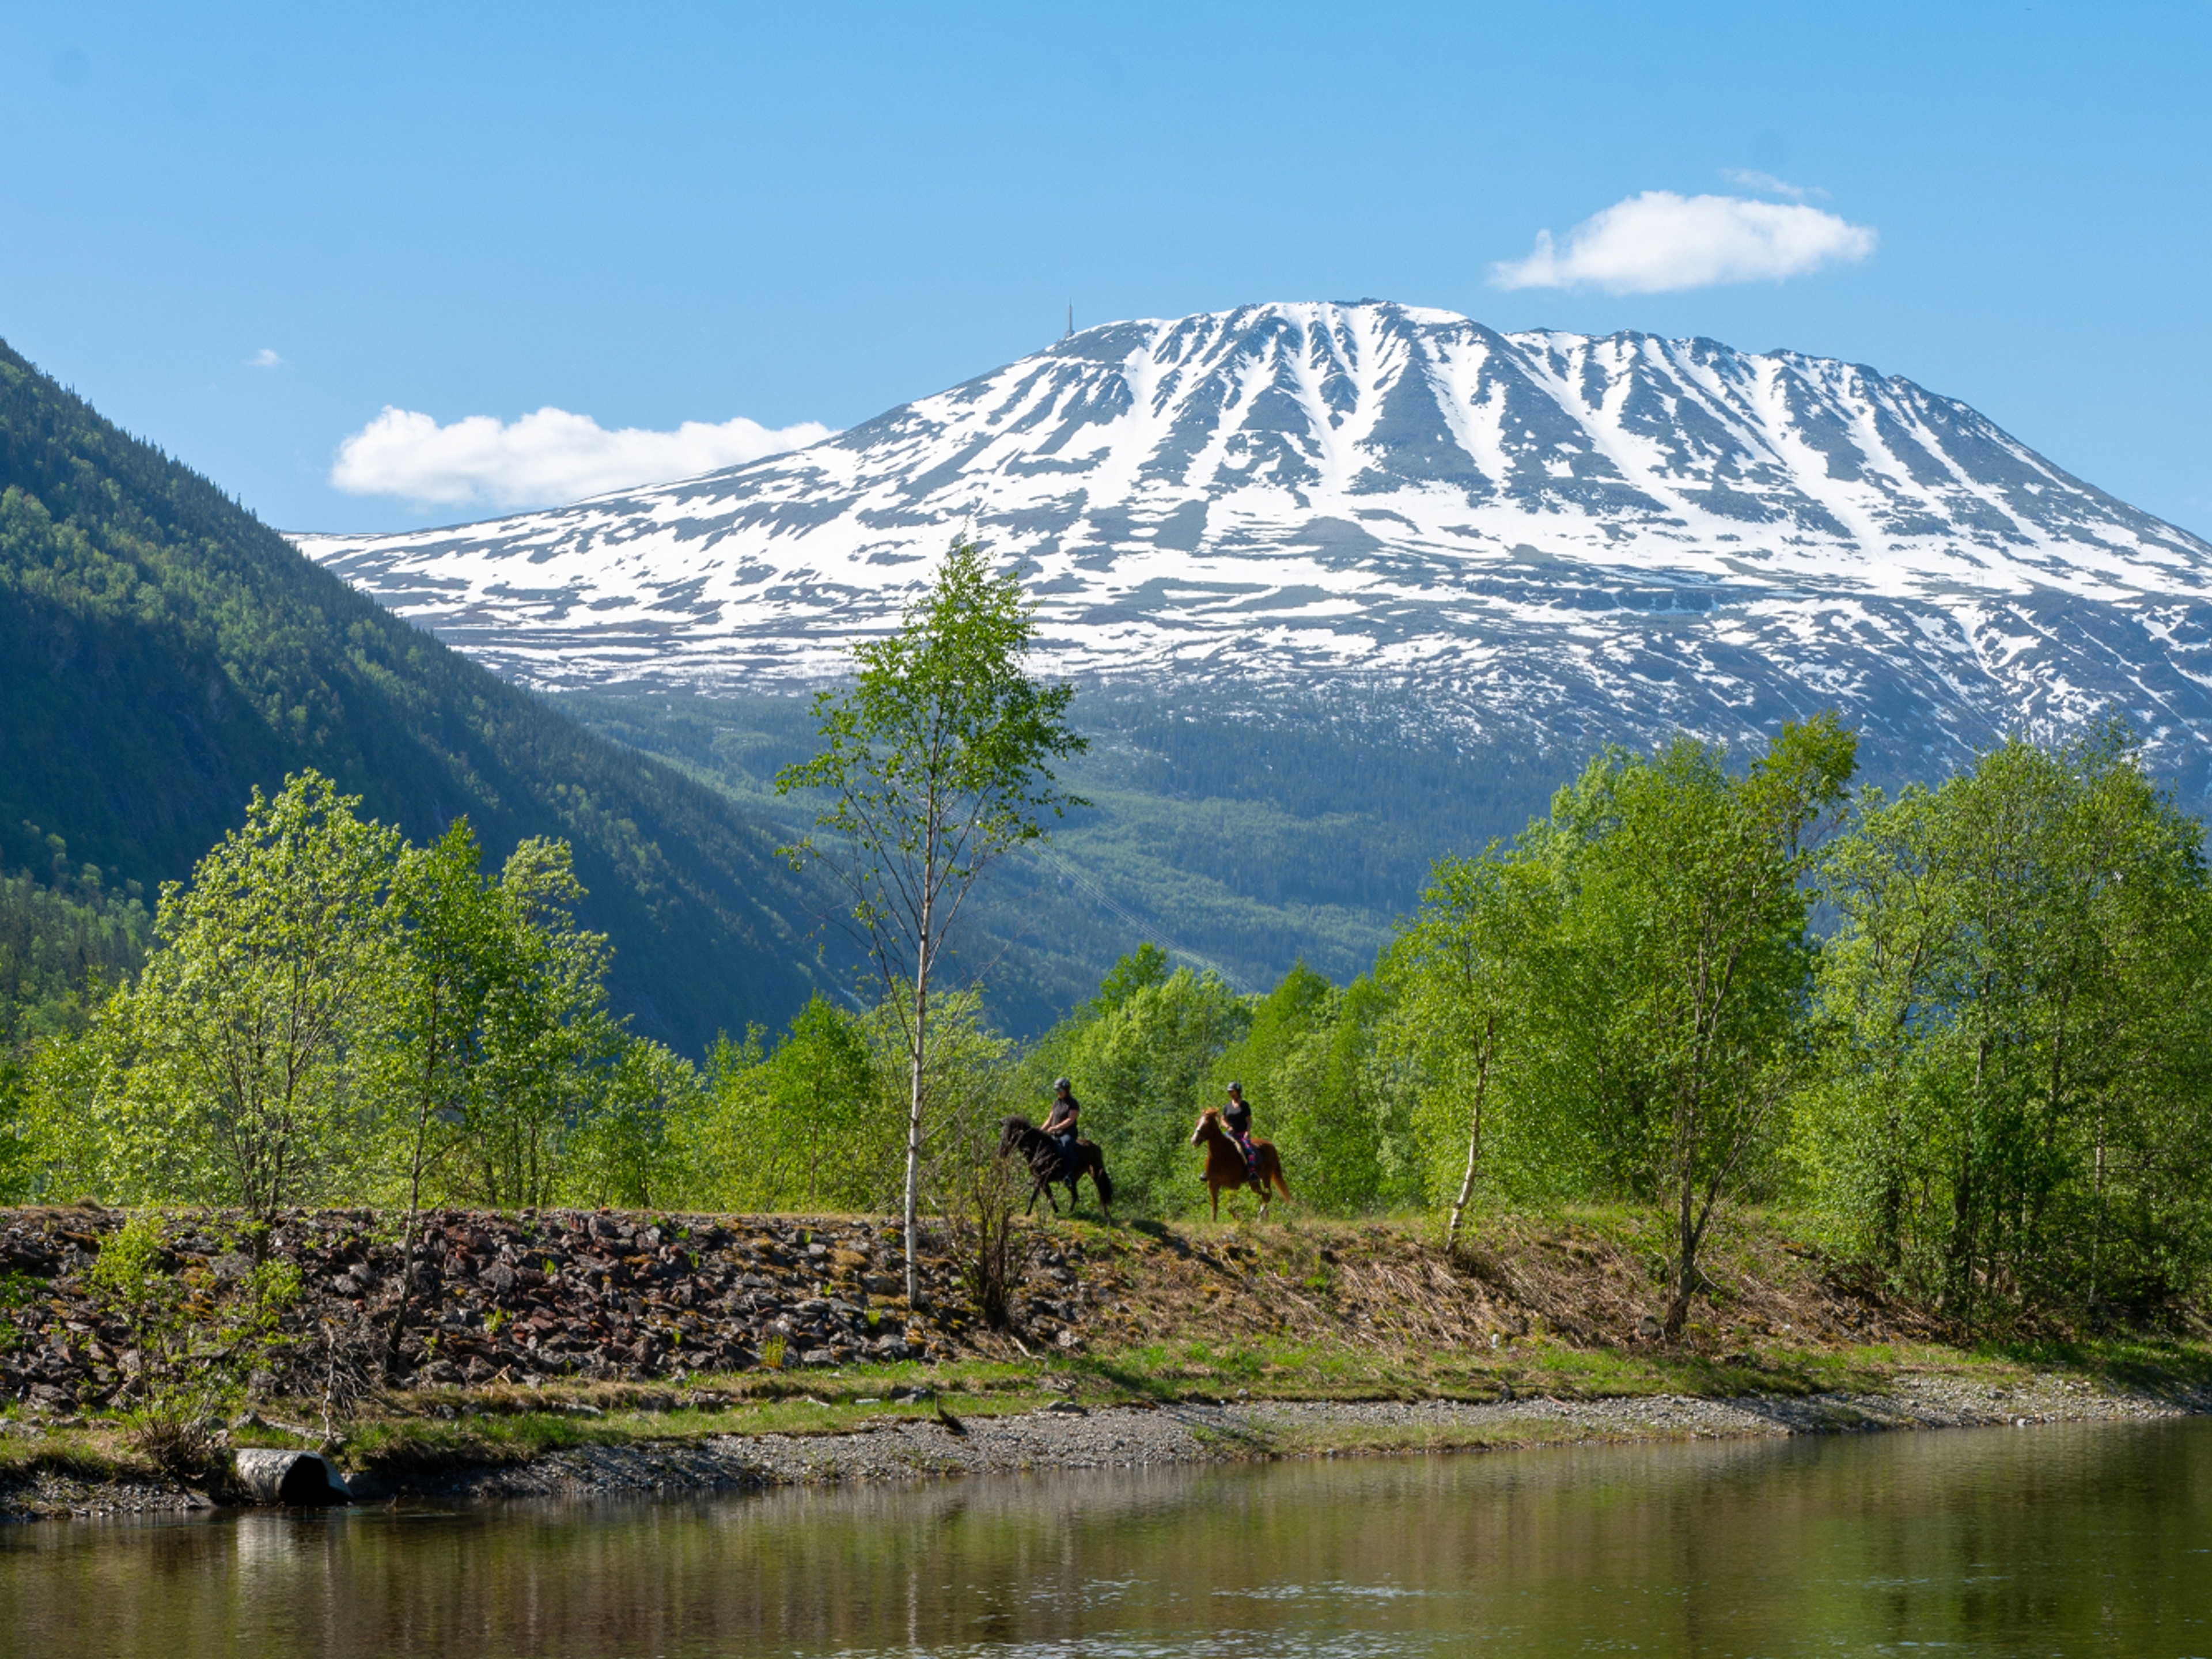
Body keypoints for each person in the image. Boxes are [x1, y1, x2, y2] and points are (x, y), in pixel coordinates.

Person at [1222, 1081, 1260, 1179]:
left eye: (1233, 1092)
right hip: (1230, 1134)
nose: (1231, 1094)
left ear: (1238, 1092)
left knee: (1250, 1151)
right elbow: (1222, 1120)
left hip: (1242, 1134)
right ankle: (1209, 1172)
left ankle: (1252, 1172)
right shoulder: (1227, 1107)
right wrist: (1227, 1126)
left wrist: (1248, 1132)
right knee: (1217, 1148)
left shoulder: (1245, 1105)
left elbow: (1249, 1120)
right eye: (1230, 1092)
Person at [1044, 1077, 1081, 1169]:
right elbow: (1050, 1120)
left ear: (1066, 1089)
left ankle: (1068, 1175)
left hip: (1068, 1134)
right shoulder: (1056, 1104)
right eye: (1056, 1090)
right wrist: (1040, 1130)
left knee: (1066, 1146)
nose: (1058, 1092)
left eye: (1060, 1089)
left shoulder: (1073, 1103)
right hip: (1055, 1134)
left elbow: (1070, 1120)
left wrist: (1056, 1128)